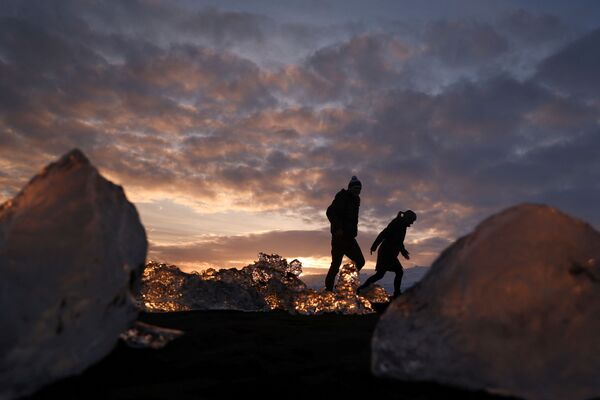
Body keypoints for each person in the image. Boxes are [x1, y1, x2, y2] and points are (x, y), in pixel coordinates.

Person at [357, 210, 417, 298]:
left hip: (390, 253)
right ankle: (396, 293)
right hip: (386, 252)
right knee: (397, 272)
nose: (412, 223)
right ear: (408, 218)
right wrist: (374, 246)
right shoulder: (396, 223)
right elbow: (384, 234)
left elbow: (399, 241)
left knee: (381, 274)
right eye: (412, 220)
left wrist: (403, 252)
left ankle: (361, 289)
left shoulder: (402, 225)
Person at [325, 176, 365, 291]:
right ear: (350, 188)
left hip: (350, 237)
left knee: (360, 261)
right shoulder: (342, 196)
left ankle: (343, 284)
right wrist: (338, 229)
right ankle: (328, 291)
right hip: (339, 237)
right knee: (335, 266)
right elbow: (330, 211)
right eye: (356, 188)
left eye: (360, 189)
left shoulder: (356, 199)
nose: (358, 191)